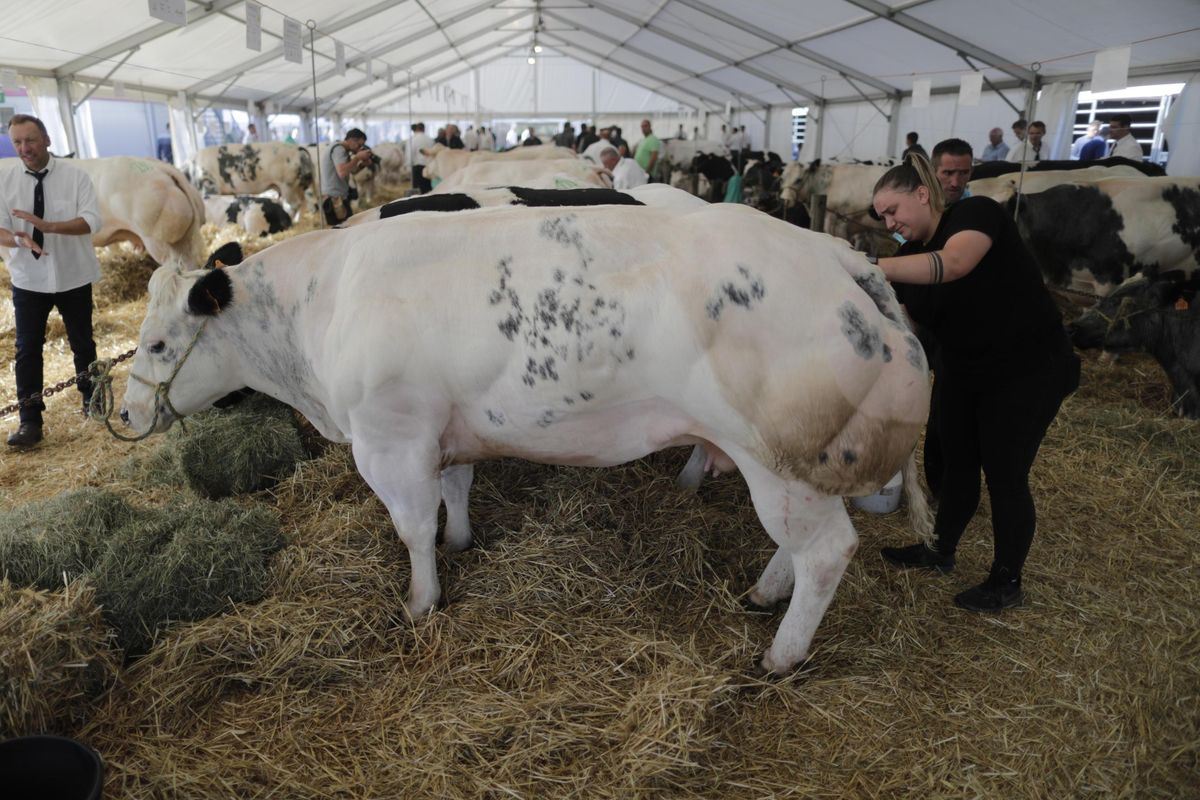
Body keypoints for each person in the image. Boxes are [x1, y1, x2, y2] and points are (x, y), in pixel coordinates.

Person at [869, 153, 1080, 611]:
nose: (889, 224)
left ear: (922, 195)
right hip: (965, 367)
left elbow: (956, 264)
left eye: (892, 210)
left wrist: (872, 267)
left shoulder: (975, 213)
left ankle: (1007, 581)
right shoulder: (908, 258)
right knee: (958, 461)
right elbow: (907, 326)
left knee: (1005, 474)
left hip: (1028, 370)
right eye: (881, 216)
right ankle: (940, 551)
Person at [0, 114, 103, 449]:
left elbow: (91, 221)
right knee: (27, 350)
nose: (24, 148)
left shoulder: (76, 177)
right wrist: (18, 240)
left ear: (46, 140)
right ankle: (30, 422)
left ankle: (92, 399)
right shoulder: (4, 180)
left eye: (30, 140)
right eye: (17, 142)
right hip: (28, 278)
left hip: (74, 274)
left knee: (83, 343)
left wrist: (48, 227)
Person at [320, 127, 373, 224]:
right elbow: (342, 172)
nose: (359, 148)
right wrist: (357, 158)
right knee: (341, 230)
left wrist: (362, 165)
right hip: (335, 199)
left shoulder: (342, 150)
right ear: (352, 140)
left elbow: (350, 171)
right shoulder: (339, 150)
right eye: (359, 145)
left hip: (337, 197)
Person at [408, 122, 434, 194]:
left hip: (417, 167)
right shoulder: (429, 139)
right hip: (428, 166)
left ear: (416, 128)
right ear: (424, 129)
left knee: (417, 188)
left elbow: (410, 154)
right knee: (427, 187)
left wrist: (408, 166)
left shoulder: (413, 139)